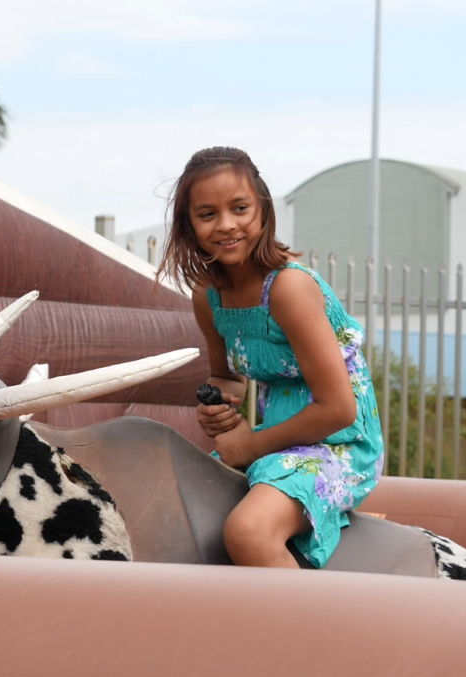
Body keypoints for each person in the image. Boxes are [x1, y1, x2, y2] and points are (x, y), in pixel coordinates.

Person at [157, 146, 384, 569]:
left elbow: (338, 408)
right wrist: (219, 411)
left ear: (262, 209)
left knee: (249, 531)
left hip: (339, 446)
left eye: (239, 208)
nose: (226, 225)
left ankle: (313, 634)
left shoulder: (288, 288)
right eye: (207, 214)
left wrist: (251, 445)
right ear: (189, 224)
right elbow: (226, 378)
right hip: (274, 441)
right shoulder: (208, 297)